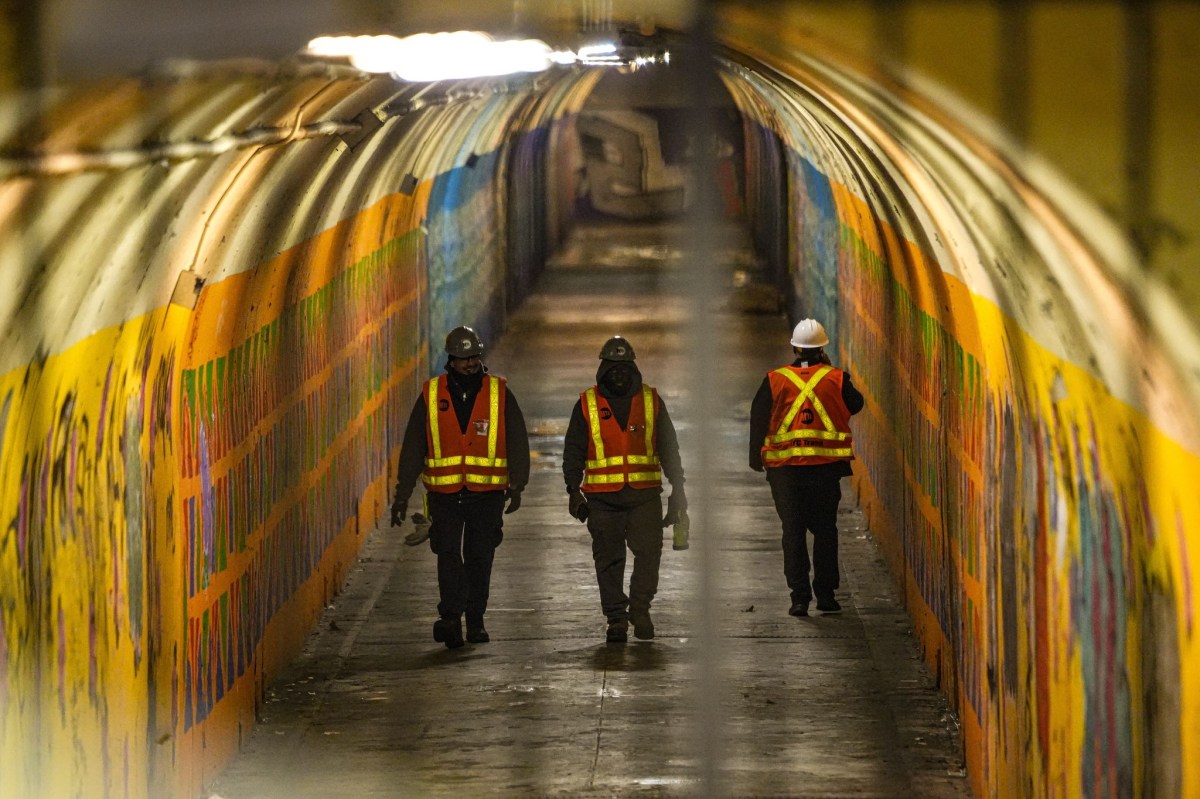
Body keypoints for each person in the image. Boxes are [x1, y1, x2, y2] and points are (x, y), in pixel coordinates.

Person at [390, 325, 530, 649]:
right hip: (445, 495)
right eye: (463, 358)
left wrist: (517, 484)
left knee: (480, 558)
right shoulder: (431, 395)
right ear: (450, 360)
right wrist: (402, 493)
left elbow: (517, 438)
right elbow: (414, 446)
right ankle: (451, 617)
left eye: (474, 357)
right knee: (449, 557)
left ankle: (476, 620)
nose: (470, 364)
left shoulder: (498, 392)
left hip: (487, 495)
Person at [562, 336, 686, 643]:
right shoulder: (587, 404)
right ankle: (616, 618)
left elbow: (669, 447)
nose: (618, 373)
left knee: (649, 553)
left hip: (644, 496)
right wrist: (572, 490)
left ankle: (640, 608)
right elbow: (574, 450)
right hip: (603, 501)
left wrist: (678, 488)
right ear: (602, 369)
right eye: (612, 367)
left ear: (634, 369)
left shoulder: (651, 401)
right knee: (608, 560)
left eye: (624, 367)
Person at [749, 318, 864, 617]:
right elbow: (856, 404)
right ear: (823, 348)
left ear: (794, 347)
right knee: (825, 531)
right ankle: (826, 595)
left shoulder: (775, 380)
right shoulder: (837, 379)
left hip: (785, 472)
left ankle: (799, 598)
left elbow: (758, 415)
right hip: (825, 470)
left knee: (793, 531)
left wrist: (755, 458)